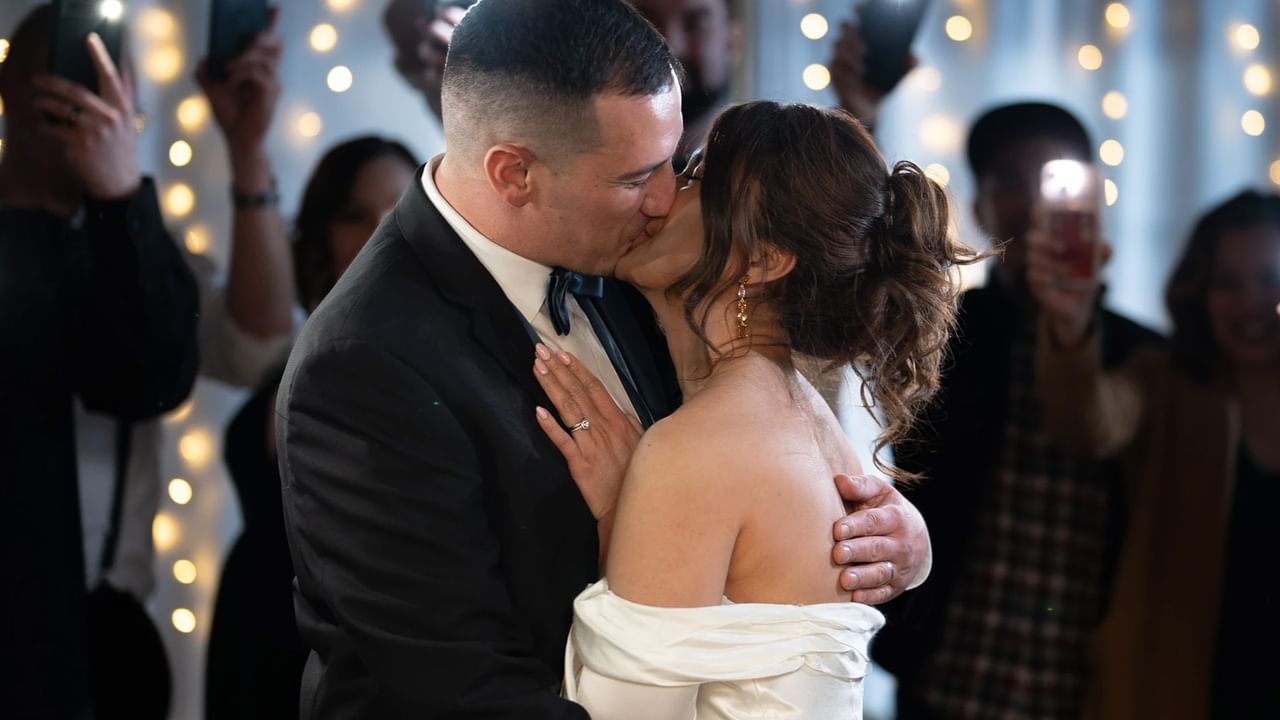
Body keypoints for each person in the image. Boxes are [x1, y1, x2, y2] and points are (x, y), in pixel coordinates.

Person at [277, 0, 933, 716]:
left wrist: (896, 542)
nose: (663, 199)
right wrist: (640, 515)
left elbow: (762, 500)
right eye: (633, 178)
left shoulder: (652, 272)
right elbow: (462, 692)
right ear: (514, 174)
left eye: (675, 163)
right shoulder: (366, 364)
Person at [531, 99, 977, 718]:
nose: (660, 197)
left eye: (694, 176)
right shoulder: (809, 419)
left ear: (766, 258)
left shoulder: (700, 450)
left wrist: (617, 511)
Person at [867, 102, 1164, 719]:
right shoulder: (939, 335)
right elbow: (863, 280)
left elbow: (1092, 429)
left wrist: (1072, 321)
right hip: (947, 666)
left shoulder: (1144, 355)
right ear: (981, 208)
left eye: (1055, 183)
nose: (1036, 209)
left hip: (1084, 685)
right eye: (1012, 185)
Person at [0, 6, 199, 718]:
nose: (108, 113)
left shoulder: (120, 243)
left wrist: (119, 196)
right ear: (24, 97)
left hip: (105, 635)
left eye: (124, 104)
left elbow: (152, 380)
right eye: (86, 92)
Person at [1029, 189, 1280, 719]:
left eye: (1269, 280)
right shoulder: (1163, 381)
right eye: (1226, 284)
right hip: (1178, 682)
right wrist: (1071, 321)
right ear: (1199, 293)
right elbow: (1086, 426)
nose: (1251, 303)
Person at [206, 134, 419, 720]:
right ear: (324, 233)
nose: (381, 228)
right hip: (252, 621)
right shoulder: (303, 342)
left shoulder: (438, 363)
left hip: (349, 649)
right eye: (355, 214)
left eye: (399, 208)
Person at [383, 0, 884, 168]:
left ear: (733, 38)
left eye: (695, 22)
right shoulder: (558, 145)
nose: (669, 44)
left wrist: (861, 112)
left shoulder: (774, 163)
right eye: (646, 19)